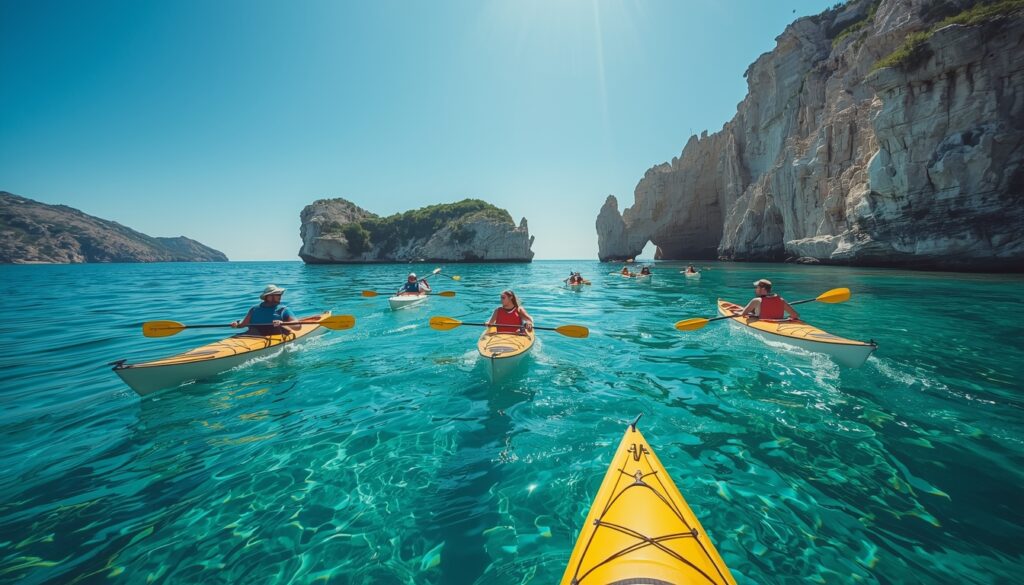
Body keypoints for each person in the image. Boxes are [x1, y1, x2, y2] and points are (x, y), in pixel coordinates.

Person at [231, 284, 316, 335]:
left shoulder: (283, 310)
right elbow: (242, 325)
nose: (280, 297)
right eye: (277, 295)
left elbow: (298, 327)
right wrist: (236, 324)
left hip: (275, 338)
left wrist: (282, 323)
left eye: (280, 295)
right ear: (268, 297)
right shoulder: (254, 309)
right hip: (253, 337)